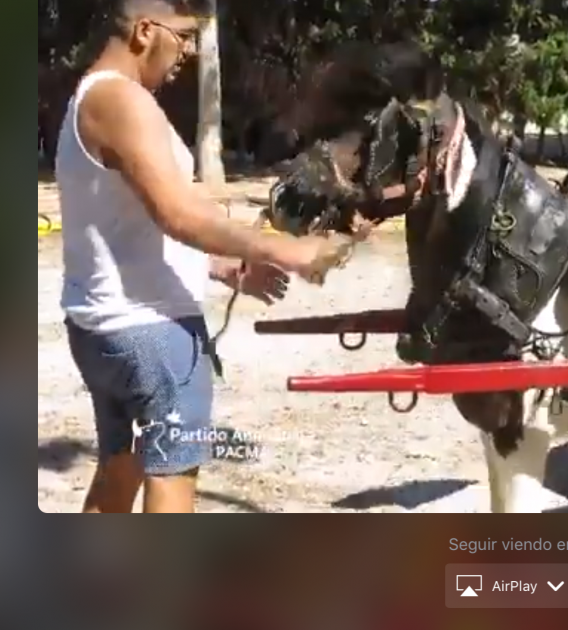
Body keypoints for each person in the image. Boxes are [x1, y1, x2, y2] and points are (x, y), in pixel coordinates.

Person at [54, 0, 355, 513]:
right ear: (146, 31)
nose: (189, 52)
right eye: (184, 35)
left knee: (120, 469)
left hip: (102, 327)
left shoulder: (92, 97)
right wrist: (290, 250)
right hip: (151, 335)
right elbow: (178, 213)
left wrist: (219, 267)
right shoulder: (122, 101)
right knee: (172, 479)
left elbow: (129, 224)